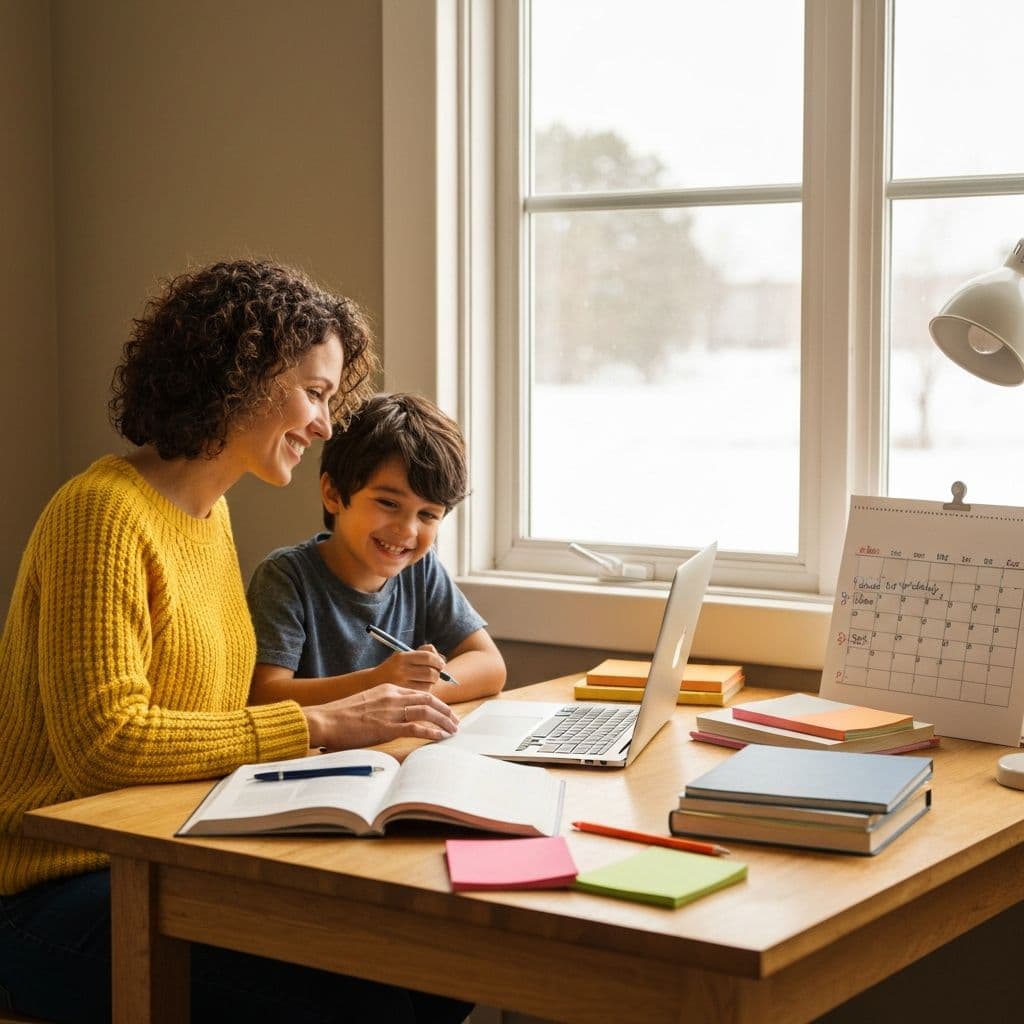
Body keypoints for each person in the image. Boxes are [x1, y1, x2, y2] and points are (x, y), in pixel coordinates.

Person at [0, 259, 470, 1024]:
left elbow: (208, 725)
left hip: (171, 856)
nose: (324, 424)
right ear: (240, 376)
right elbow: (105, 743)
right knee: (370, 1005)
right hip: (54, 890)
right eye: (315, 394)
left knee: (437, 965)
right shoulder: (101, 514)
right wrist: (322, 723)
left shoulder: (210, 518)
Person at [247, 392, 506, 706]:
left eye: (427, 514)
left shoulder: (420, 571)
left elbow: (490, 665)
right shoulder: (286, 578)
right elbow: (265, 695)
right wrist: (377, 684)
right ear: (333, 494)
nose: (407, 530)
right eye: (388, 503)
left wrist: (411, 692)